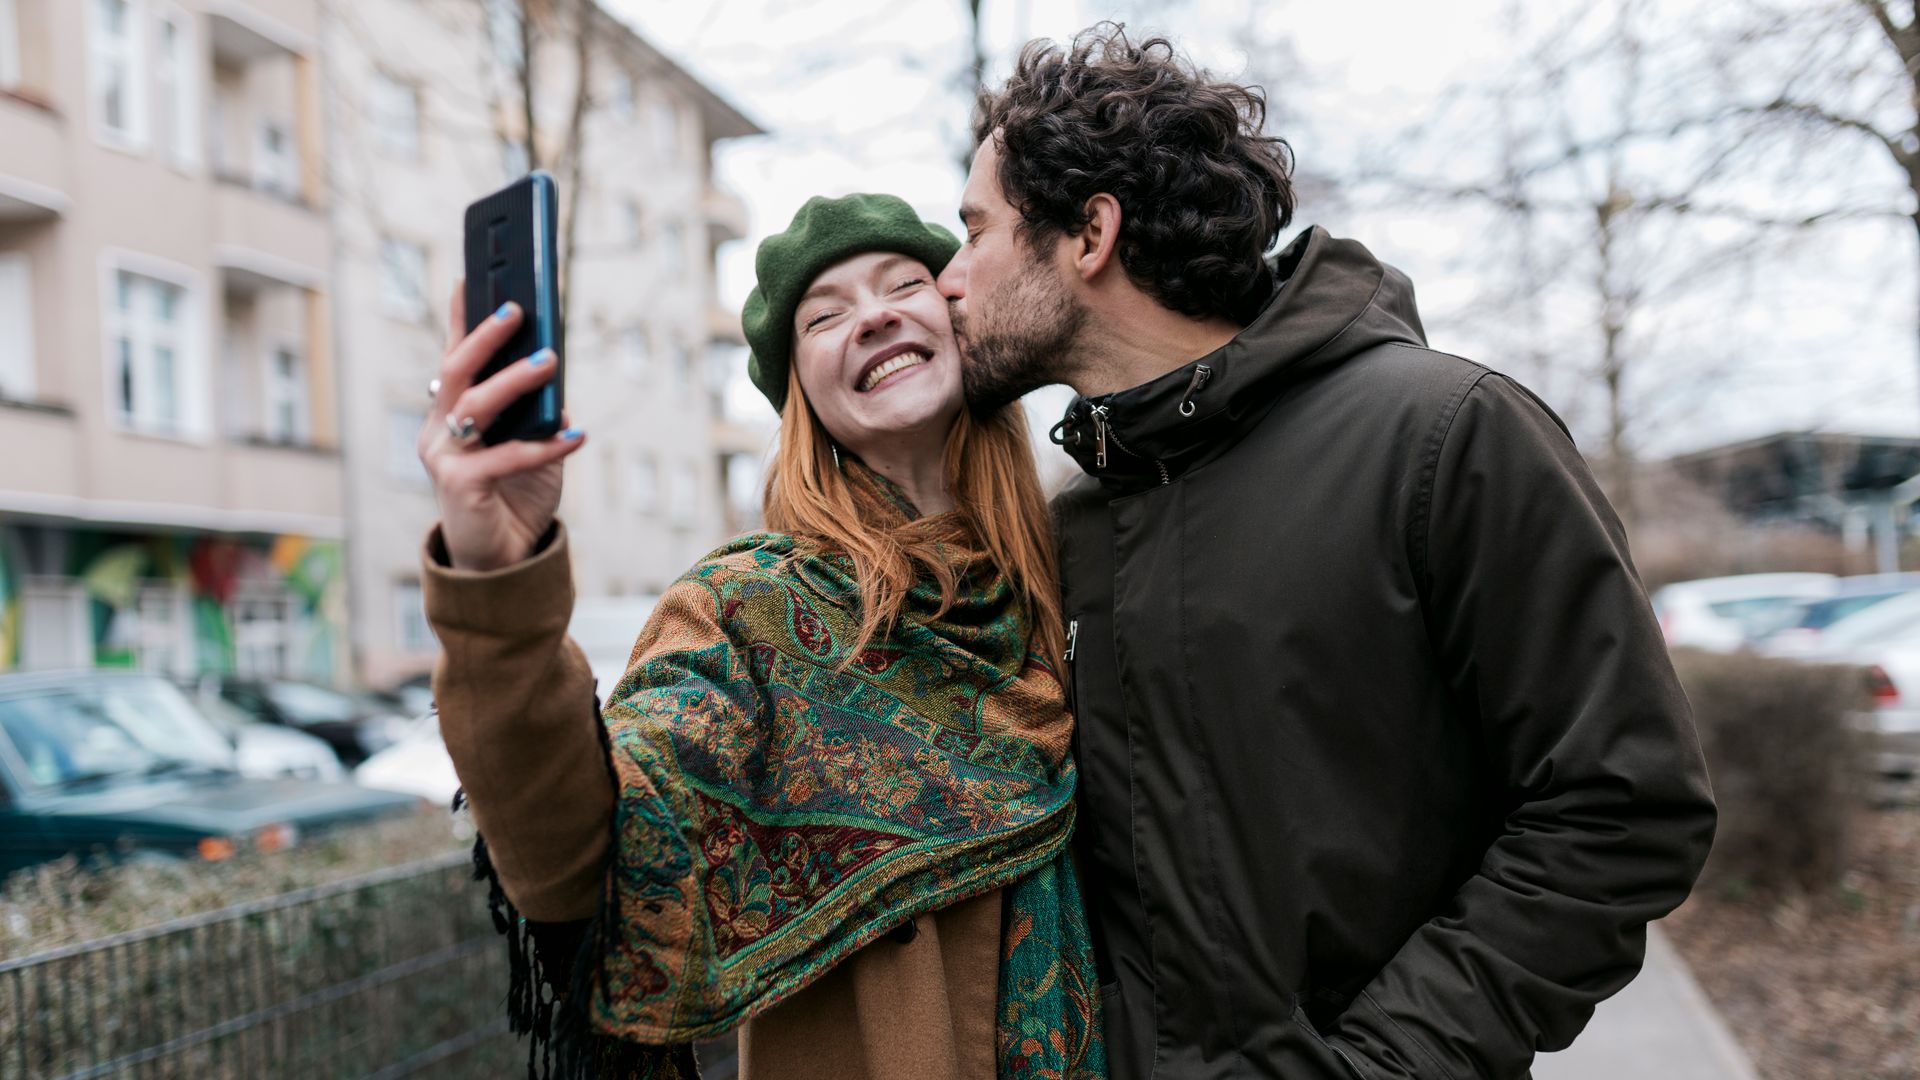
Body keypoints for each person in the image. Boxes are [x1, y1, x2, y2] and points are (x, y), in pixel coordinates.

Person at [936, 25, 1719, 1080]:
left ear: (1090, 234)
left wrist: (1384, 1068)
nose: (947, 278)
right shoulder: (1074, 524)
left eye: (974, 230)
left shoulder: (1448, 439)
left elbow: (1623, 807)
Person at [416, 194, 1106, 1079]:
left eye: (904, 284)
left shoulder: (1075, 569)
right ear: (800, 395)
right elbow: (588, 857)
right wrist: (495, 585)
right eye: (825, 316)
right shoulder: (744, 610)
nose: (876, 315)